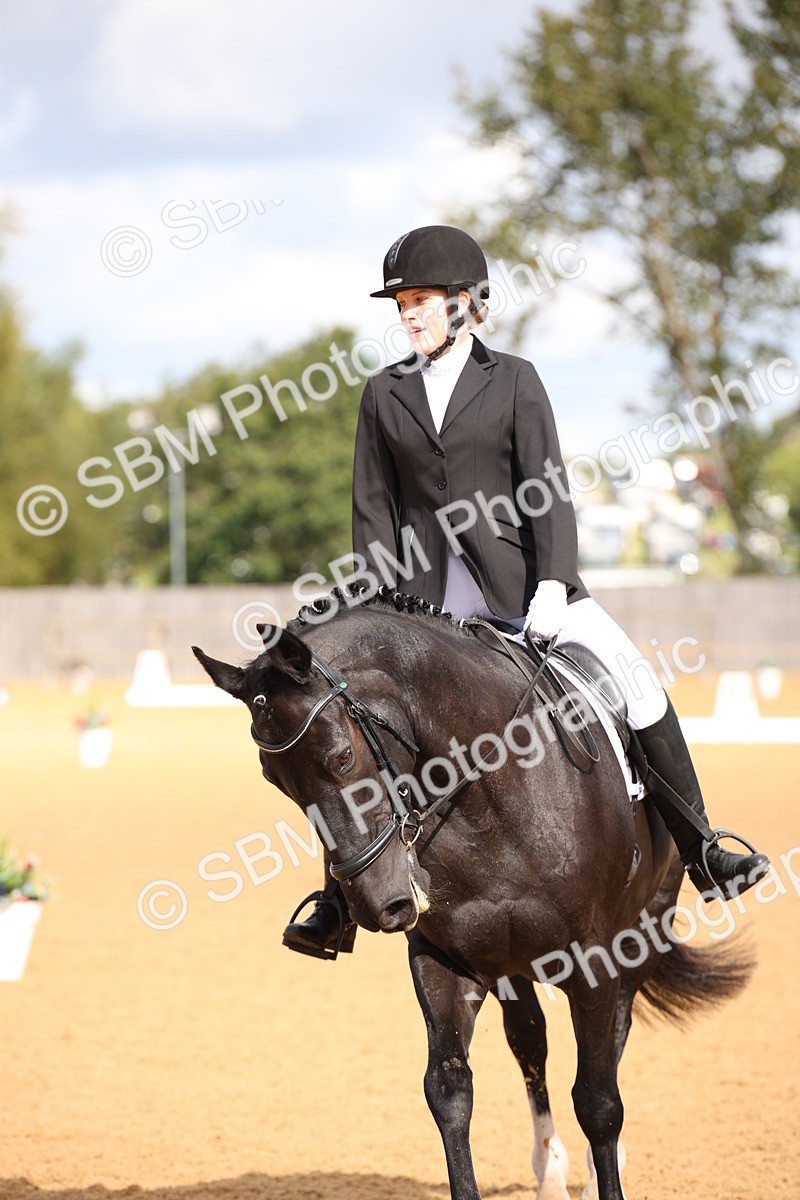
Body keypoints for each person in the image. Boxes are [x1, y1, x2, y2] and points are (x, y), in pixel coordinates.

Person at [282, 224, 770, 959]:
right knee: (355, 727)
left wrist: (551, 582)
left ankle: (703, 852)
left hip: (519, 582)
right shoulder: (383, 393)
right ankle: (335, 903)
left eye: (421, 302)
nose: (408, 316)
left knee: (636, 683)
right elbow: (373, 509)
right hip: (423, 601)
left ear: (463, 303)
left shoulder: (513, 379)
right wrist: (375, 607)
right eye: (402, 305)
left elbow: (548, 490)